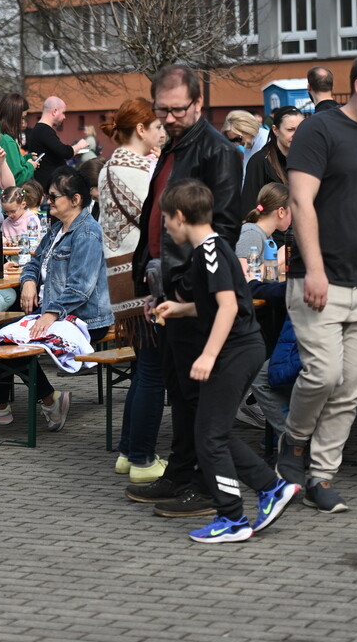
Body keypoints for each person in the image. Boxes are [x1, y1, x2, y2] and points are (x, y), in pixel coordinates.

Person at [277, 51, 357, 513]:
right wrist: (314, 269)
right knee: (324, 374)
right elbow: (302, 200)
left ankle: (321, 476)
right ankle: (292, 443)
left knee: (353, 387)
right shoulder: (319, 129)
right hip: (321, 278)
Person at [152, 180, 300, 543]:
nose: (167, 227)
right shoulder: (209, 251)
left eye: (168, 219)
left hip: (236, 350)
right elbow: (216, 303)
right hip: (238, 349)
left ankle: (234, 517)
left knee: (210, 437)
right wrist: (181, 308)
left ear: (182, 217)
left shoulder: (211, 251)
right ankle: (270, 489)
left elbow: (230, 308)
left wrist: (208, 354)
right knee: (212, 432)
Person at [127, 64, 243, 519]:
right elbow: (154, 217)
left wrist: (193, 291)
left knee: (196, 393)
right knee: (177, 386)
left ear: (198, 104)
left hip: (193, 292)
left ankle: (203, 484)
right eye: (162, 110)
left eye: (178, 109)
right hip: (166, 285)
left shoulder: (217, 150)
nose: (170, 117)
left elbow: (225, 227)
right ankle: (180, 469)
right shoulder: (174, 145)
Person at [0, 167, 113, 430]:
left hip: (85, 319)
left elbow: (80, 287)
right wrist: (29, 282)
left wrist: (49, 313)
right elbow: (33, 262)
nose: (47, 201)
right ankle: (40, 401)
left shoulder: (87, 233)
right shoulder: (57, 228)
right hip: (55, 312)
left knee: (8, 339)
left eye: (54, 197)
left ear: (75, 200)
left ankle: (22, 404)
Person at [97, 97, 166, 484]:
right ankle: (142, 458)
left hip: (122, 277)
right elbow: (157, 216)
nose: (162, 133)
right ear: (141, 129)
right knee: (153, 371)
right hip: (143, 279)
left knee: (143, 368)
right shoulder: (137, 168)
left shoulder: (112, 165)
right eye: (157, 127)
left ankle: (128, 451)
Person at [241, 107, 303, 215]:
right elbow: (249, 207)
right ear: (275, 130)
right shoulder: (259, 161)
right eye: (290, 130)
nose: (296, 134)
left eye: (300, 129)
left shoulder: (309, 157)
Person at [26, 96, 90, 187]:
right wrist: (79, 145)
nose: (64, 117)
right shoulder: (44, 130)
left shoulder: (40, 130)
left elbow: (54, 155)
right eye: (63, 113)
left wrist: (75, 153)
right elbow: (65, 152)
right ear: (55, 111)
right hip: (49, 185)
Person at [237, 184, 291, 269]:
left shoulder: (267, 236)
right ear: (281, 212)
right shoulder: (252, 234)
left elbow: (268, 275)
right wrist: (278, 259)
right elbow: (246, 276)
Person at [0, 92, 35, 185]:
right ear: (13, 117)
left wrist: (26, 158)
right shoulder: (6, 141)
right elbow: (16, 179)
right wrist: (31, 166)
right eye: (22, 117)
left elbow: (10, 162)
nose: (23, 122)